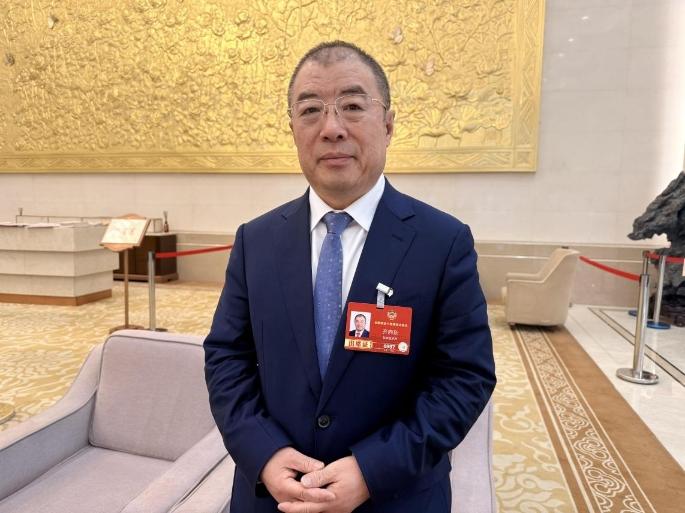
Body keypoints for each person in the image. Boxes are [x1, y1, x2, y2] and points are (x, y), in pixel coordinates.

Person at [204, 40, 496, 513]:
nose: (332, 128)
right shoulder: (255, 241)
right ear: (293, 130)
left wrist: (372, 469)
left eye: (353, 106)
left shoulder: (442, 242)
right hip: (272, 498)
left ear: (388, 124)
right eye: (310, 111)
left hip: (395, 496)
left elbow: (464, 377)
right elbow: (226, 357)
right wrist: (265, 453)